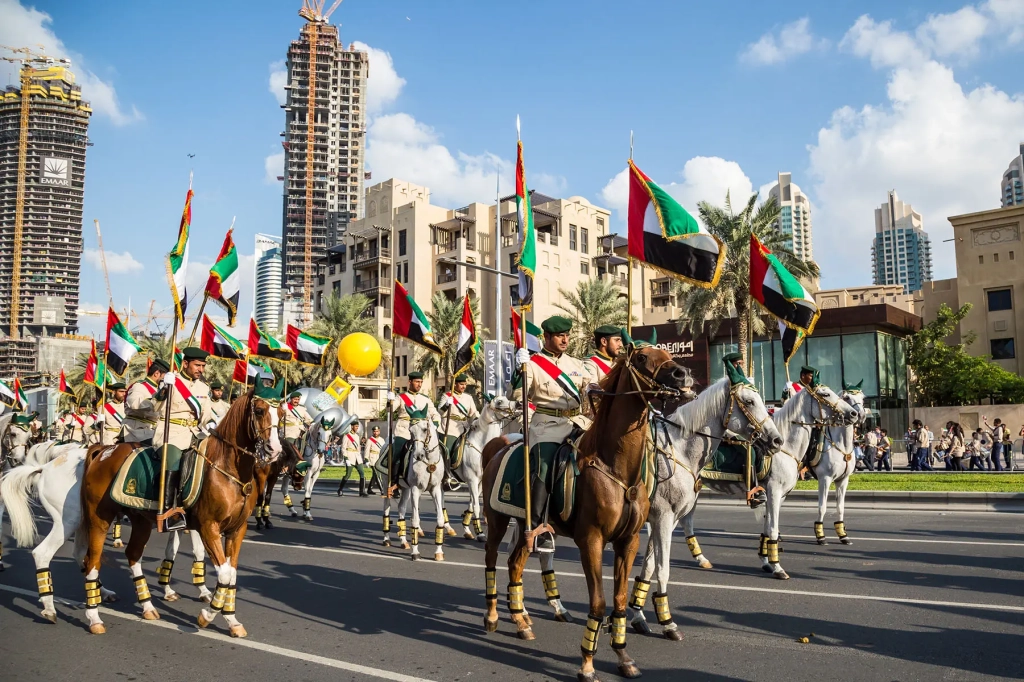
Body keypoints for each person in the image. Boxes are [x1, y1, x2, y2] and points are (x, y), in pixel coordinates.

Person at [510, 315, 594, 553]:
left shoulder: (576, 364)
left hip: (578, 422)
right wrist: (519, 371)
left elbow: (592, 388)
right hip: (547, 425)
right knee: (545, 468)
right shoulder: (533, 364)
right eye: (559, 336)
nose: (565, 339)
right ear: (546, 337)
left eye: (567, 335)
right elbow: (516, 396)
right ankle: (537, 528)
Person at [152, 347, 214, 532]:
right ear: (185, 364)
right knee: (173, 460)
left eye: (203, 366)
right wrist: (164, 388)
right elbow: (154, 407)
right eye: (197, 365)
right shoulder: (171, 381)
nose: (200, 369)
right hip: (170, 432)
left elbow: (206, 413)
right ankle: (168, 512)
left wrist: (211, 424)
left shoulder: (204, 387)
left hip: (194, 433)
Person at [385, 371, 442, 492]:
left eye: (421, 382)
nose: (419, 384)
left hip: (422, 433)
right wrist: (389, 400)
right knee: (397, 453)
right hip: (404, 430)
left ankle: (444, 476)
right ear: (410, 382)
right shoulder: (401, 397)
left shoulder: (425, 399)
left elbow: (435, 415)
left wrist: (434, 426)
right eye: (417, 382)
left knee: (441, 450)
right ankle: (395, 482)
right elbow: (389, 410)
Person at [438, 373, 479, 489]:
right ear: (455, 384)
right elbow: (440, 412)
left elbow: (473, 413)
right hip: (450, 427)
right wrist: (447, 405)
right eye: (461, 384)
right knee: (448, 449)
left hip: (465, 426)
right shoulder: (446, 396)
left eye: (465, 384)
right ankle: (447, 477)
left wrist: (476, 421)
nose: (464, 386)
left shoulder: (468, 397)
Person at [123, 359, 169, 446]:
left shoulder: (159, 389)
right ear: (156, 373)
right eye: (165, 376)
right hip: (136, 431)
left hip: (151, 430)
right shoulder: (139, 386)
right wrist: (156, 399)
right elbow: (134, 403)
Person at [336, 422, 367, 497]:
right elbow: (343, 448)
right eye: (356, 426)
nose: (357, 428)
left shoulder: (357, 436)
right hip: (350, 457)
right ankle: (340, 489)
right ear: (352, 426)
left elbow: (358, 447)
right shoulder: (347, 436)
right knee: (348, 475)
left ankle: (361, 491)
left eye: (357, 426)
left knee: (362, 473)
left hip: (357, 457)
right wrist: (346, 458)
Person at [364, 425, 384, 495]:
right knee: (377, 474)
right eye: (374, 431)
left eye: (377, 431)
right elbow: (367, 450)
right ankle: (382, 490)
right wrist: (366, 459)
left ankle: (369, 489)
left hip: (379, 458)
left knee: (375, 475)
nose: (375, 433)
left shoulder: (382, 440)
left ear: (379, 431)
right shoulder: (370, 440)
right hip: (372, 458)